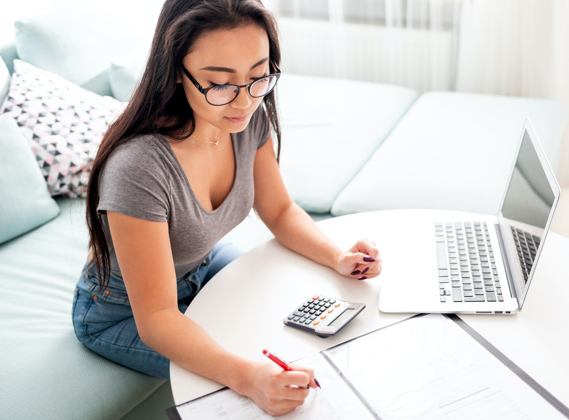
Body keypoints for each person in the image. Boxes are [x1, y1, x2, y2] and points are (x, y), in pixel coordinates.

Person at [71, 0, 382, 415]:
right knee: (250, 373)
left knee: (297, 318)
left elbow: (281, 211)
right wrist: (247, 377)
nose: (244, 101)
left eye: (259, 76)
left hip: (202, 265)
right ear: (177, 72)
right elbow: (159, 317)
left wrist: (338, 256)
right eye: (220, 84)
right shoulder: (138, 168)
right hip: (120, 312)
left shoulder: (247, 120)